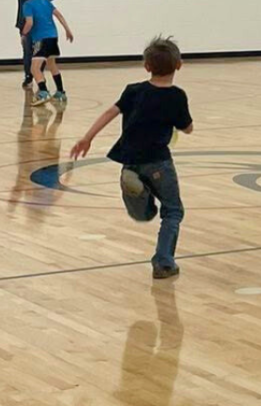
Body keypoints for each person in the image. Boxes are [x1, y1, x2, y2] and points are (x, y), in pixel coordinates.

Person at [69, 38, 193, 280]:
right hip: (158, 161)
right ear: (179, 65)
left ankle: (139, 187)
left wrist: (87, 138)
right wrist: (185, 128)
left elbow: (110, 112)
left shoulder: (133, 91)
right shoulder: (177, 96)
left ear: (146, 66)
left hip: (130, 159)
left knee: (143, 214)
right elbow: (187, 127)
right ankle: (164, 262)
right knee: (173, 210)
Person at [6, 0, 61, 88]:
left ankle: (38, 77)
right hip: (26, 27)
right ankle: (29, 77)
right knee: (28, 53)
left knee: (38, 55)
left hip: (39, 30)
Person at [22, 0, 74, 106]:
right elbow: (59, 15)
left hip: (41, 39)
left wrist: (24, 33)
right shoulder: (45, 1)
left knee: (34, 69)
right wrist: (68, 30)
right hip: (53, 37)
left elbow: (29, 22)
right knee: (52, 64)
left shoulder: (28, 5)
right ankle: (61, 92)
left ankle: (43, 93)